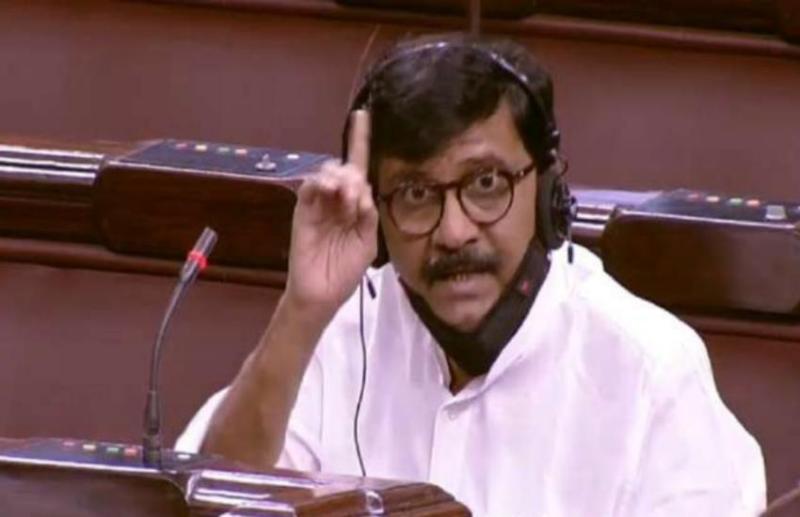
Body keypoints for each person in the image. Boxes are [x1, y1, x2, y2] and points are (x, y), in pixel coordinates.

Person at [176, 34, 766, 516]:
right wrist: (302, 311)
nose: (454, 232)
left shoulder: (650, 371)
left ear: (547, 193)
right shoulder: (337, 335)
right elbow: (212, 502)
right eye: (415, 193)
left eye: (486, 184)